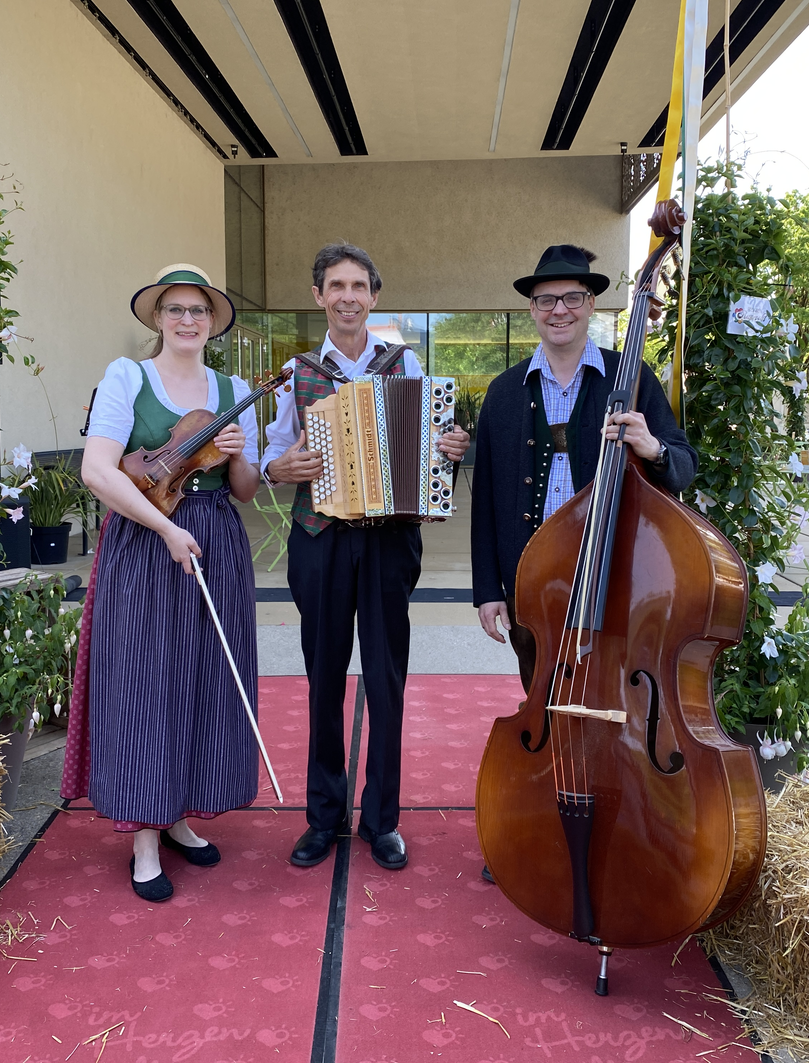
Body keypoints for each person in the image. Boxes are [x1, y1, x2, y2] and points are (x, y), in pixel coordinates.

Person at [264, 243, 470, 873]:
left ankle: (382, 821)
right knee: (322, 682)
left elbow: (434, 453)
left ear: (374, 296)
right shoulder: (295, 372)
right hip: (319, 543)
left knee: (385, 681)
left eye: (358, 285)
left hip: (386, 543)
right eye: (336, 285)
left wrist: (451, 449)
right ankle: (324, 819)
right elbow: (269, 460)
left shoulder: (405, 365)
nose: (348, 296)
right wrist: (282, 468)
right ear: (320, 296)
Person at [62, 263, 262, 902]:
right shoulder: (128, 377)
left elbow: (246, 492)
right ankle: (144, 839)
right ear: (157, 318)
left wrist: (237, 454)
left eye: (197, 310)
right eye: (174, 309)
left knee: (201, 678)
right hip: (148, 540)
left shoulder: (231, 386)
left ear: (213, 321)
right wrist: (164, 528)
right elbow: (99, 471)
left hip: (215, 542)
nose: (186, 319)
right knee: (145, 682)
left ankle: (176, 815)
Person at [470, 245, 697, 690]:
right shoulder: (503, 393)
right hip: (532, 583)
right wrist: (488, 589)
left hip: (617, 577)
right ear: (532, 309)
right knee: (541, 697)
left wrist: (653, 448)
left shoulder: (630, 378)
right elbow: (486, 502)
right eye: (546, 300)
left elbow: (684, 465)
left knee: (614, 698)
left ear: (591, 304)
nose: (560, 311)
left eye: (572, 298)